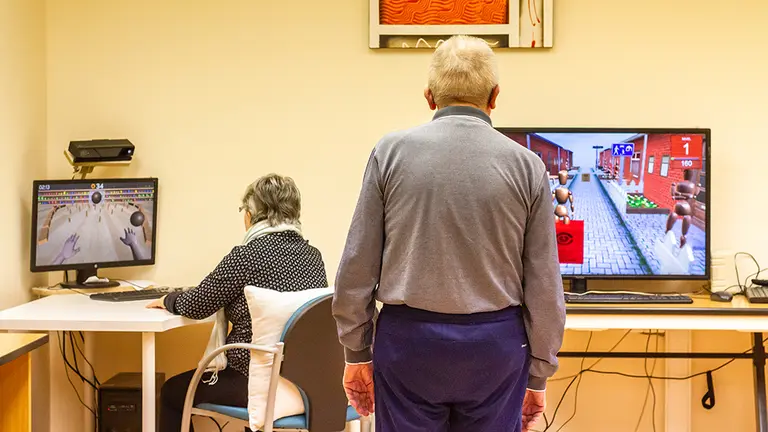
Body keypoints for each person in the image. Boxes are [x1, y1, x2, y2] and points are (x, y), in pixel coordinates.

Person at [332, 35, 565, 432]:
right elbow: (543, 281)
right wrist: (538, 374)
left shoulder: (389, 153)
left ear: (429, 97)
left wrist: (357, 353)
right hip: (495, 348)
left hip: (408, 345)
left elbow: (358, 264)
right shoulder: (528, 166)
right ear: (494, 97)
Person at [147, 174, 328, 431]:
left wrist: (168, 298)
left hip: (252, 379)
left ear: (251, 215)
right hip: (301, 380)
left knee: (172, 393)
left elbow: (197, 305)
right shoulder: (313, 256)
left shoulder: (246, 256)